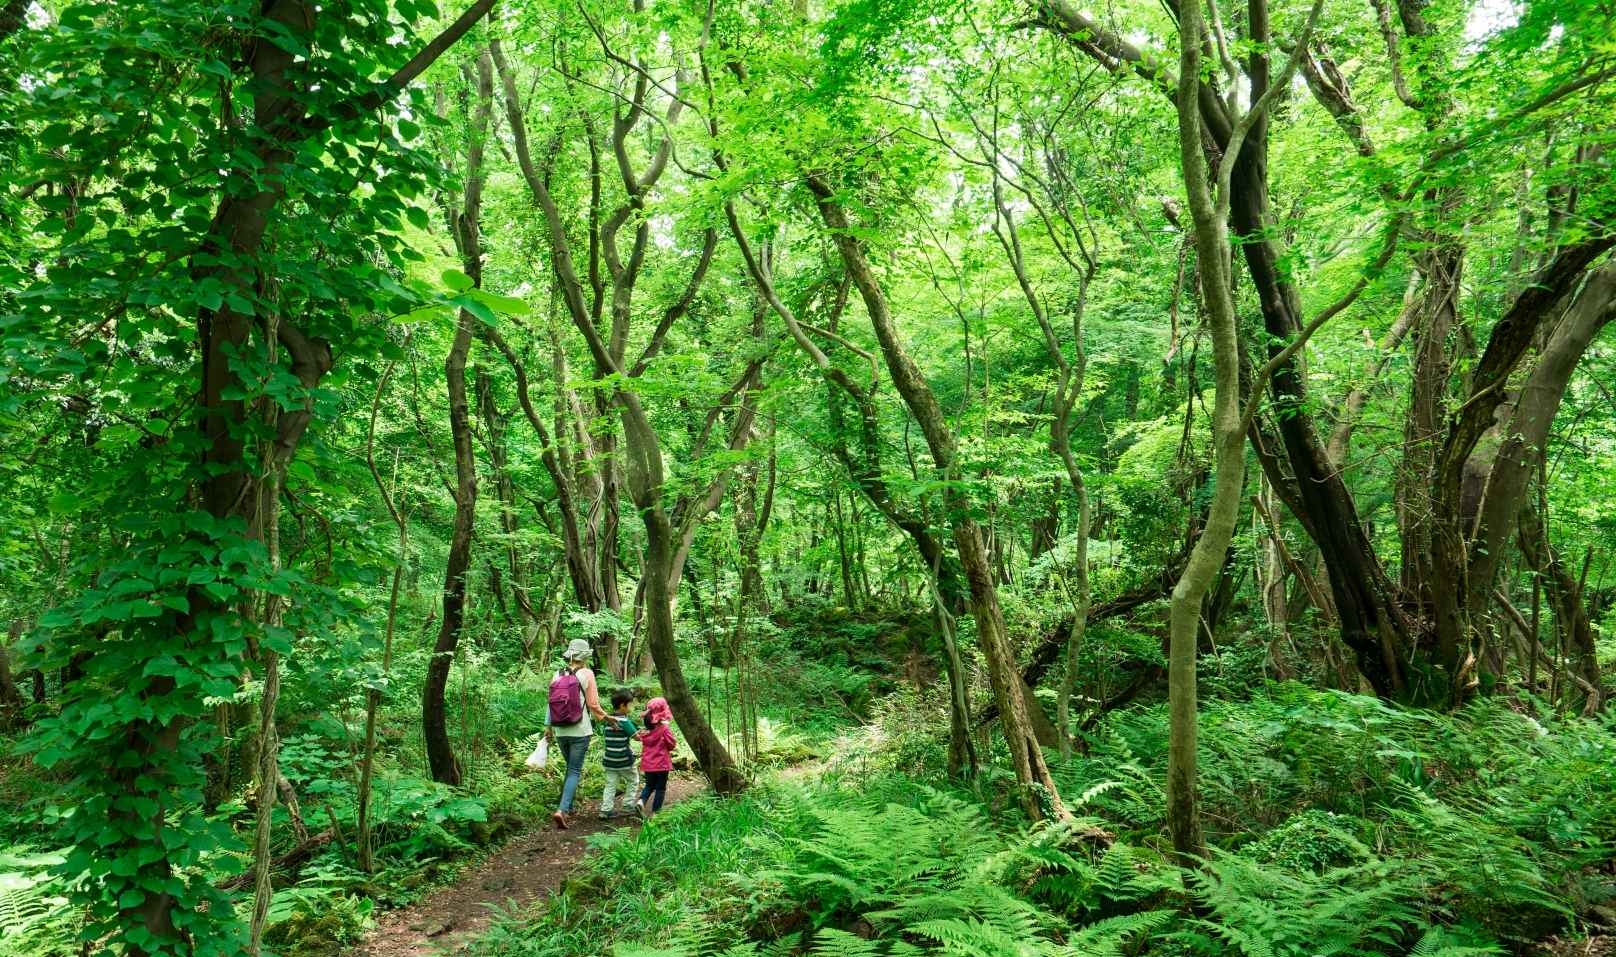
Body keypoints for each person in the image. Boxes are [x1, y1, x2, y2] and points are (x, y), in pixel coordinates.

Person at [545, 638, 610, 830]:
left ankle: (569, 806)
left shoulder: (556, 674)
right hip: (580, 730)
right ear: (584, 656)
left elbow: (550, 703)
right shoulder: (587, 673)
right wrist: (607, 718)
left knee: (569, 768)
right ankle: (562, 810)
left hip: (560, 730)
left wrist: (547, 727)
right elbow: (593, 704)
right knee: (574, 770)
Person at [599, 688, 639, 819]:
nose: (632, 706)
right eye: (631, 703)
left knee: (610, 784)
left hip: (609, 759)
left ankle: (605, 810)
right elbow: (637, 737)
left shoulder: (608, 720)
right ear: (623, 705)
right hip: (624, 759)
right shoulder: (625, 722)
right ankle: (627, 806)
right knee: (633, 780)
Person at [634, 696, 677, 820]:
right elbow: (672, 743)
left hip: (648, 764)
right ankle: (655, 813)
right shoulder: (664, 729)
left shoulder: (645, 731)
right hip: (662, 764)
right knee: (660, 788)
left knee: (649, 785)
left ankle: (641, 802)